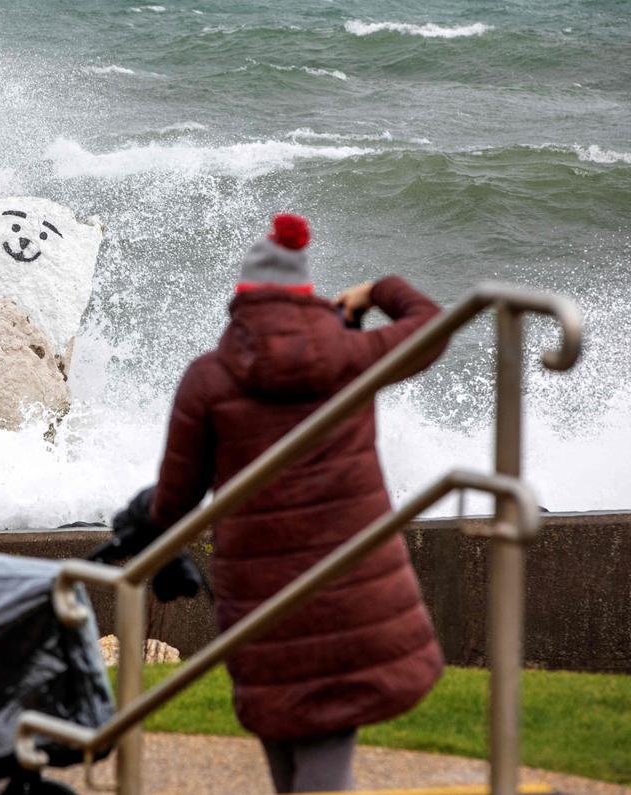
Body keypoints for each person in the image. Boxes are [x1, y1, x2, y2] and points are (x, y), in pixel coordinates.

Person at [146, 213, 445, 793]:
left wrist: (152, 546)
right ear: (308, 292)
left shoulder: (208, 378)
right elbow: (431, 325)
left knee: (286, 734)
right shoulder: (353, 356)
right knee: (327, 746)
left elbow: (175, 501)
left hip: (260, 594)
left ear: (243, 298)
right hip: (347, 581)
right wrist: (377, 291)